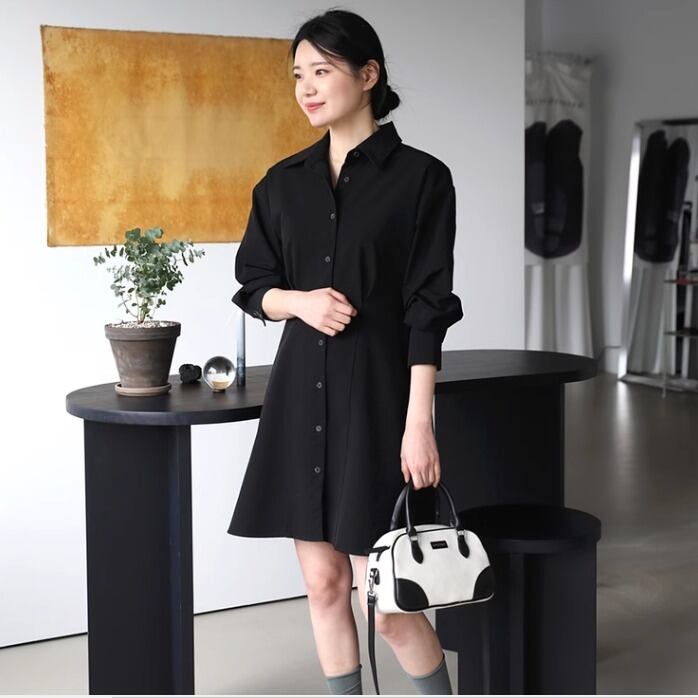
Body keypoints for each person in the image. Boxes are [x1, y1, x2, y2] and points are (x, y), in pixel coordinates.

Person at [228, 8, 463, 695]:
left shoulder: (422, 179)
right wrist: (299, 302)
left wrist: (419, 422)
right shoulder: (280, 184)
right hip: (301, 401)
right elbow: (253, 284)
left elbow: (428, 306)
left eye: (321, 71)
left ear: (368, 75)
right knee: (324, 585)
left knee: (390, 603)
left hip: (380, 403)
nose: (305, 87)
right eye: (298, 74)